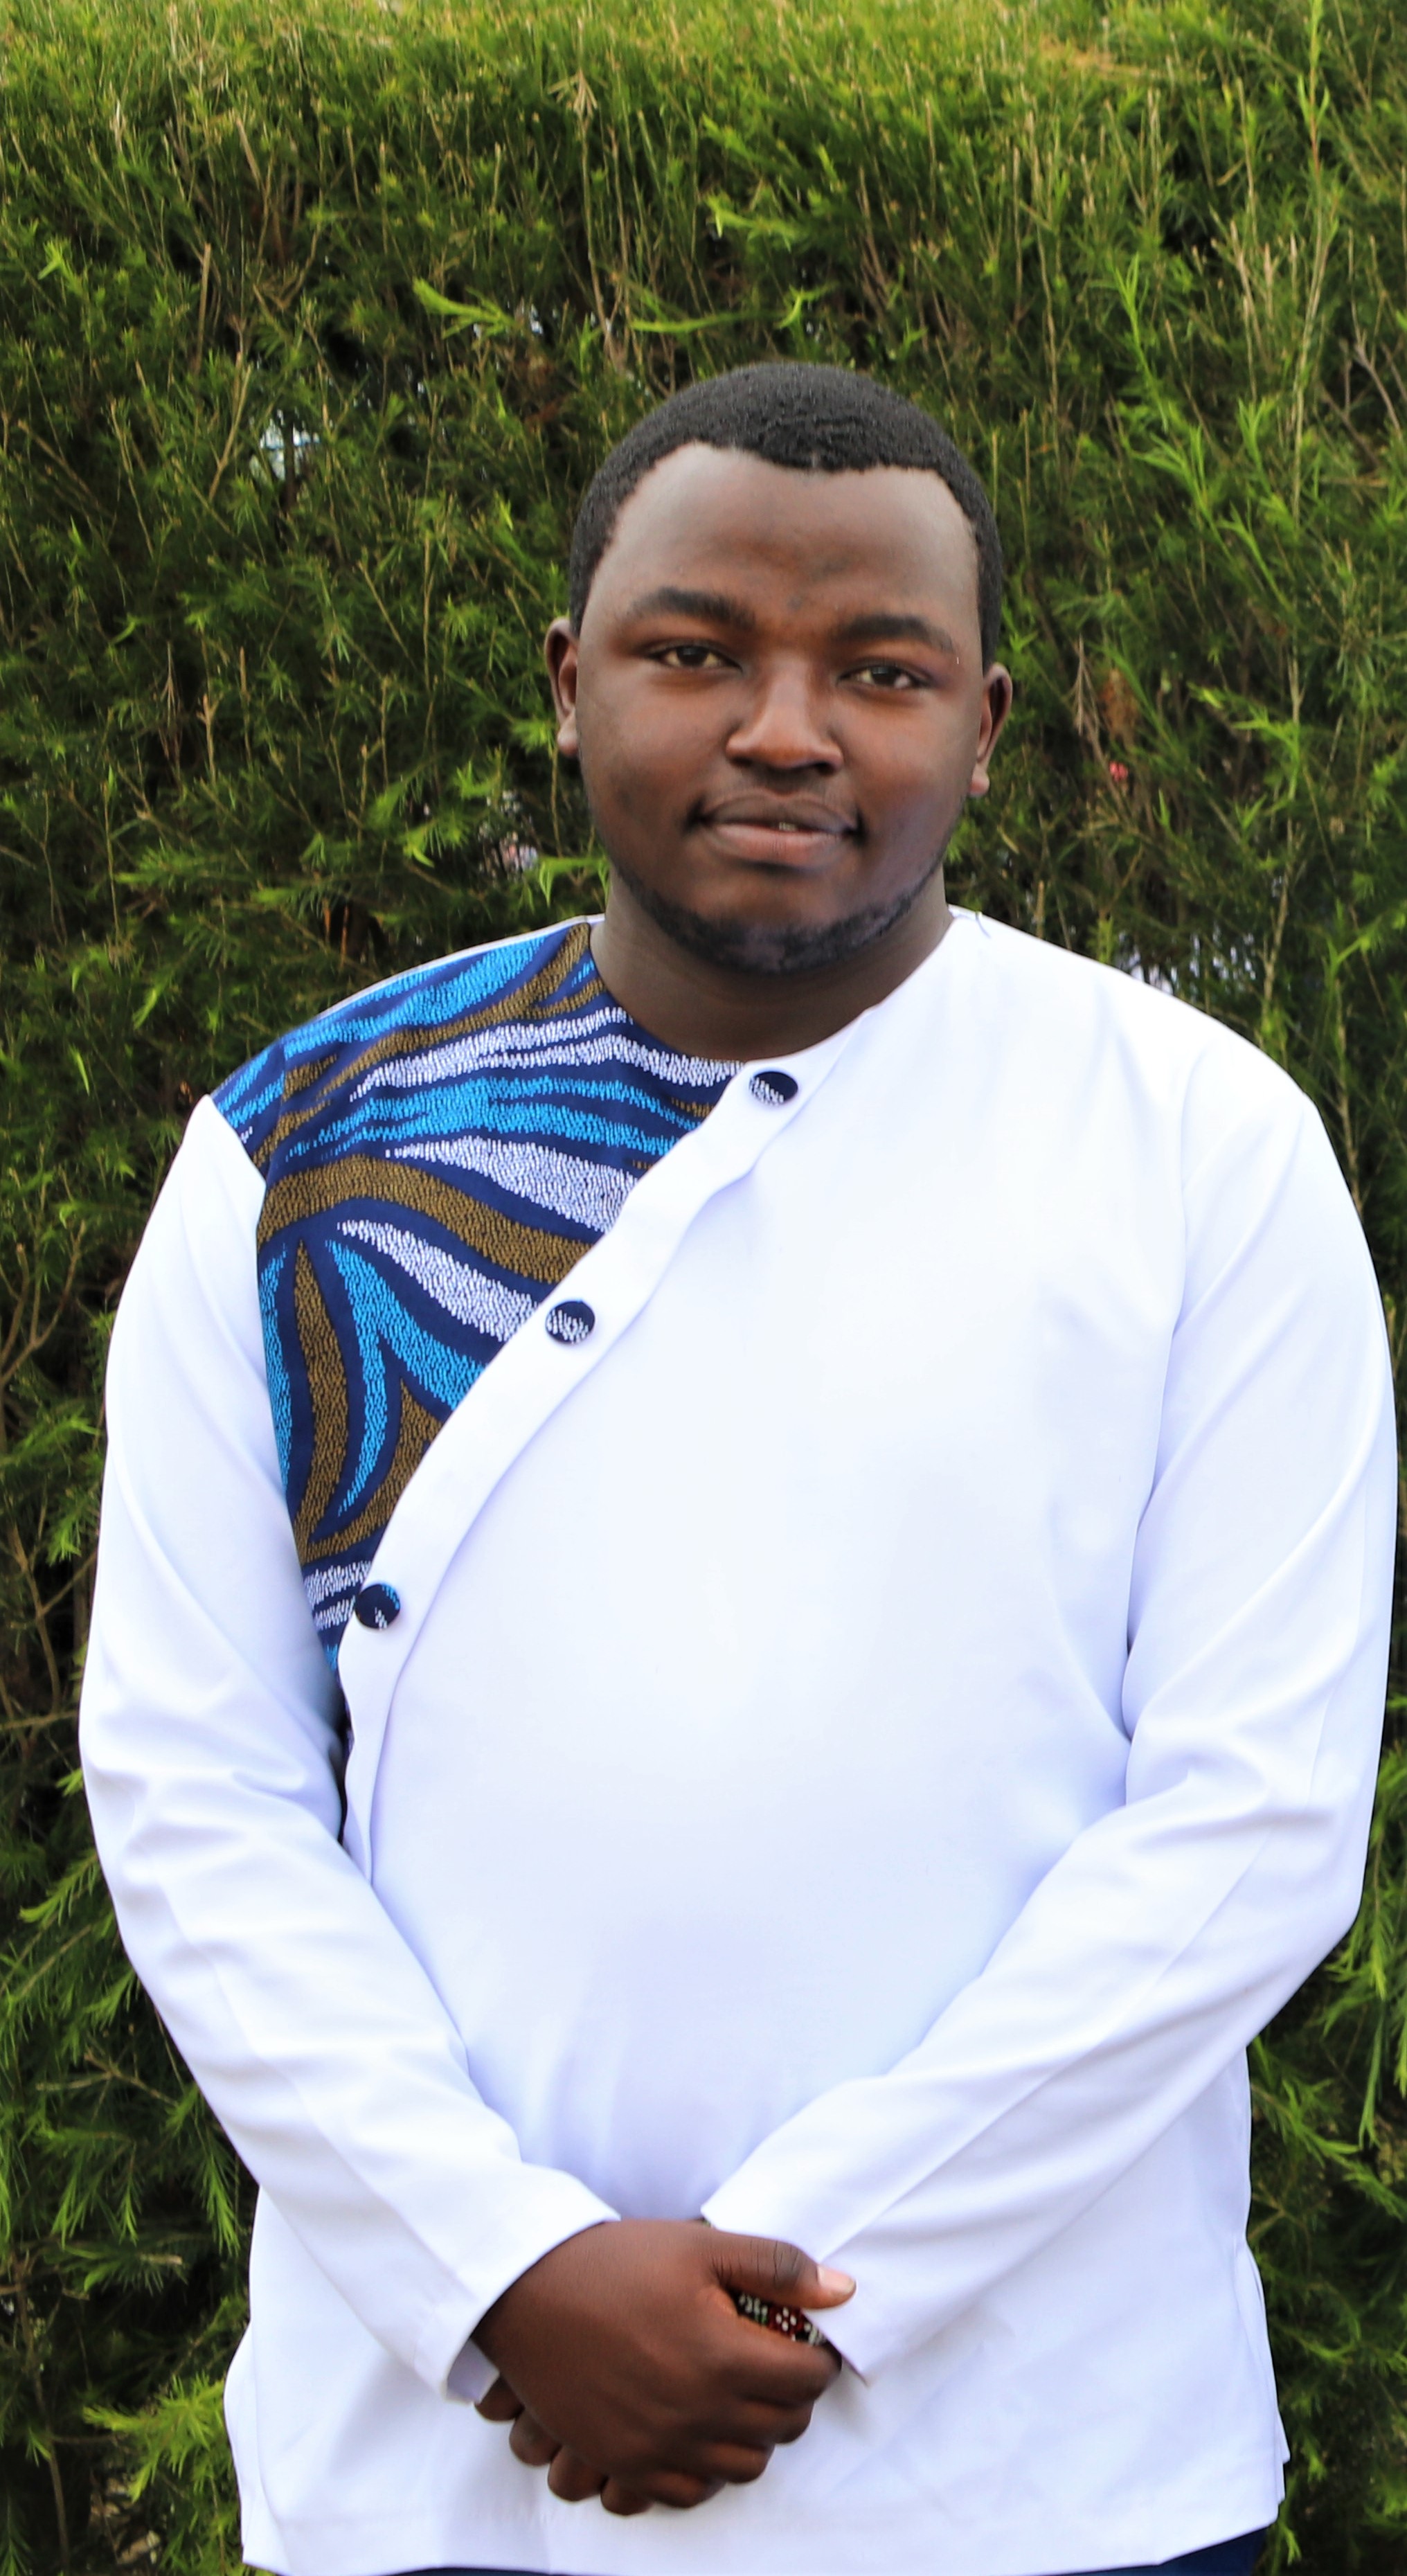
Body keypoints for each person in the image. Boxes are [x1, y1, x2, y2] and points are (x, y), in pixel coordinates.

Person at [80, 362, 1395, 2576]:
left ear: (985, 722)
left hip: (1047, 2480)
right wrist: (498, 2272)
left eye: (880, 670)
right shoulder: (304, 1153)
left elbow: (1251, 1825)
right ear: (569, 685)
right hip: (443, 2476)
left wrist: (818, 2270)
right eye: (698, 652)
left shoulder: (1200, 1146)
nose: (789, 730)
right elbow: (195, 1790)